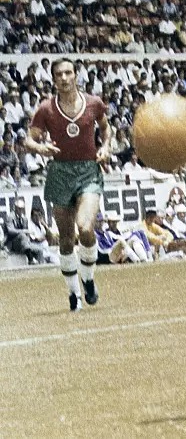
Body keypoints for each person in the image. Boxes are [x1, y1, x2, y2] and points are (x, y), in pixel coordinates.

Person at [25, 59, 111, 311]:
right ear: (53, 79)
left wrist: (105, 147)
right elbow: (29, 140)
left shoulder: (93, 103)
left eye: (68, 73)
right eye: (59, 74)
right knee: (65, 239)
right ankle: (74, 294)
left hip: (87, 171)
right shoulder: (46, 109)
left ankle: (88, 279)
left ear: (76, 75)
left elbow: (106, 129)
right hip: (60, 172)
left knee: (85, 227)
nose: (64, 77)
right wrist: (41, 147)